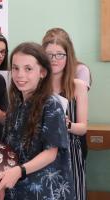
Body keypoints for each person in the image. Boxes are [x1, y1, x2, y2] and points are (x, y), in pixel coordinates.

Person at [0, 42, 75, 200]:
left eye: (28, 69)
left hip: (44, 192)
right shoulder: (16, 103)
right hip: (16, 188)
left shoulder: (51, 105)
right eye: (15, 68)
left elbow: (50, 153)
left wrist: (19, 171)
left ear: (42, 72)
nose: (20, 75)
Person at [42, 29, 88, 200]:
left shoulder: (78, 86)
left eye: (59, 54)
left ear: (68, 56)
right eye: (49, 55)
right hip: (43, 150)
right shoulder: (37, 86)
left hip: (70, 152)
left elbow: (83, 128)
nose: (54, 60)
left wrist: (67, 124)